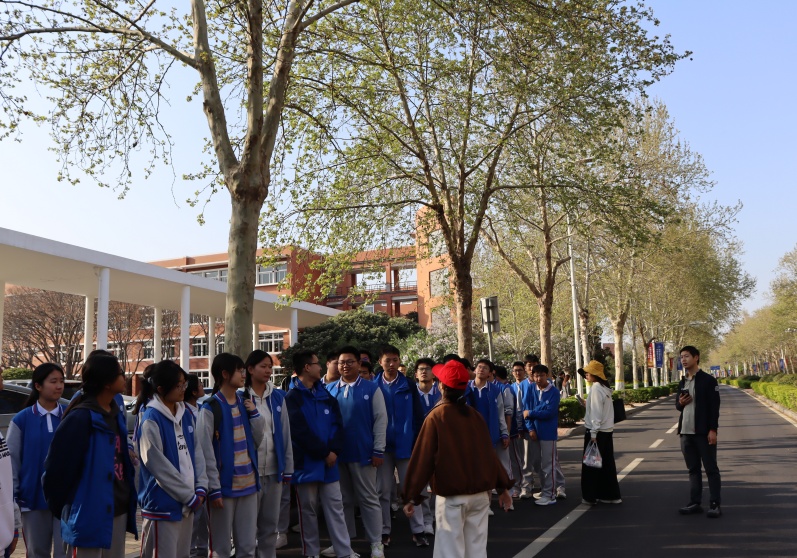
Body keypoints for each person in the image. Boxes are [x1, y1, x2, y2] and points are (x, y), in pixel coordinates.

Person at [402, 359, 512, 558]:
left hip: (452, 496)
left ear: (441, 386)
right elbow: (488, 455)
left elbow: (423, 459)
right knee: (477, 551)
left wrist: (411, 495)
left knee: (449, 552)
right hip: (479, 495)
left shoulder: (436, 416)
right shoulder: (475, 415)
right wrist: (503, 487)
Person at [43, 352, 138, 557]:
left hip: (117, 509)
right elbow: (55, 472)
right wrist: (69, 511)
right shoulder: (80, 418)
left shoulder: (115, 414)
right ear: (106, 382)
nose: (125, 377)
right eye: (120, 373)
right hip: (87, 515)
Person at [285, 350, 355, 558]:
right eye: (317, 363)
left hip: (329, 463)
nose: (321, 367)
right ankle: (311, 552)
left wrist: (333, 451)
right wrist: (324, 452)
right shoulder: (292, 398)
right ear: (307, 367)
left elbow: (337, 426)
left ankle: (344, 551)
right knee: (308, 511)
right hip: (306, 464)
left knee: (336, 508)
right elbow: (299, 432)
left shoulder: (325, 395)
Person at [197, 353, 266, 558]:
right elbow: (205, 452)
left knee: (247, 546)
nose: (244, 375)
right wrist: (214, 489)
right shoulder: (210, 408)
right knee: (221, 548)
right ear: (225, 374)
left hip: (249, 484)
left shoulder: (245, 403)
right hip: (224, 488)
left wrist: (255, 415)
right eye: (239, 371)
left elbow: (256, 441)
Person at [136, 360, 207, 557]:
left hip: (189, 503)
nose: (184, 389)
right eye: (178, 385)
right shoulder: (151, 419)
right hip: (163, 507)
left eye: (184, 384)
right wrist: (189, 496)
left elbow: (197, 453)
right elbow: (159, 467)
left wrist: (201, 486)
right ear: (161, 389)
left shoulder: (186, 415)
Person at [325, 346, 387, 558]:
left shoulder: (371, 388)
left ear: (359, 364)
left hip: (363, 453)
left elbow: (381, 420)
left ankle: (376, 543)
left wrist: (378, 449)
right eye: (341, 362)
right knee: (342, 500)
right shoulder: (329, 389)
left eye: (350, 362)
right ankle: (343, 543)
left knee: (368, 499)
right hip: (337, 455)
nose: (345, 366)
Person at [7, 363, 65, 558]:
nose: (59, 386)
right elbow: (12, 462)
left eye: (61, 381)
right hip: (32, 499)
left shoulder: (70, 415)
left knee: (64, 552)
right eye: (53, 381)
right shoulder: (21, 420)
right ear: (38, 386)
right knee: (36, 552)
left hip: (66, 498)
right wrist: (14, 497)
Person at [243, 350, 294, 558]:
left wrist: (287, 468)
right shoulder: (241, 397)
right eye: (263, 366)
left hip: (274, 471)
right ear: (250, 369)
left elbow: (285, 434)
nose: (268, 371)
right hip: (249, 472)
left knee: (270, 525)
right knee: (247, 527)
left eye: (270, 367)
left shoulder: (278, 397)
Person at [375, 345, 426, 547]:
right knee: (383, 491)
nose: (392, 364)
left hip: (406, 445)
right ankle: (384, 531)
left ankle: (418, 530)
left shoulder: (409, 385)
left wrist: (416, 441)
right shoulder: (373, 386)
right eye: (387, 360)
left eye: (395, 360)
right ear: (380, 362)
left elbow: (419, 416)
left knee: (411, 488)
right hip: (382, 447)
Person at [676, 345, 721, 518]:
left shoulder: (708, 380)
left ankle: (715, 504)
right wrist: (681, 402)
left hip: (703, 432)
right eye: (681, 357)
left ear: (696, 358)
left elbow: (714, 408)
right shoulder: (683, 381)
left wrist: (713, 430)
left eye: (687, 356)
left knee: (711, 469)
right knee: (693, 469)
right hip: (685, 432)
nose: (683, 359)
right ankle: (695, 502)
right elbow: (678, 406)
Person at [466, 359, 511, 513]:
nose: (481, 369)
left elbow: (500, 414)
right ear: (474, 370)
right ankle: (472, 505)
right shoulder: (466, 388)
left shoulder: (495, 390)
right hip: (470, 436)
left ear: (491, 373)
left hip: (489, 436)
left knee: (487, 471)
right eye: (479, 367)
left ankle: (486, 505)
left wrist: (504, 433)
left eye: (485, 368)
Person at [578, 360, 621, 505]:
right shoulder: (604, 388)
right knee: (607, 464)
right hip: (607, 431)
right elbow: (600, 410)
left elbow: (596, 414)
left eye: (588, 372)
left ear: (595, 374)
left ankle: (590, 497)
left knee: (590, 465)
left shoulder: (596, 388)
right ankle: (611, 496)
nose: (586, 374)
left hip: (597, 432)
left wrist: (593, 434)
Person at [522, 364, 564, 506]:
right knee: (537, 464)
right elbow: (525, 410)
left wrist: (532, 412)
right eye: (536, 375)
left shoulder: (554, 392)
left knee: (548, 465)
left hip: (547, 433)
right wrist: (530, 429)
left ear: (547, 375)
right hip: (534, 432)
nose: (538, 378)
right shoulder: (530, 389)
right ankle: (545, 489)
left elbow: (549, 412)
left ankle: (550, 495)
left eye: (541, 375)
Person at [414, 357, 440, 535]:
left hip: (439, 445)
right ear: (416, 374)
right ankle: (426, 520)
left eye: (428, 369)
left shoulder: (441, 392)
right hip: (418, 445)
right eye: (421, 369)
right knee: (422, 484)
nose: (424, 371)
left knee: (438, 483)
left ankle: (438, 515)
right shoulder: (411, 394)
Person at [185, 374, 210, 558]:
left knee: (205, 518)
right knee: (194, 518)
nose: (203, 386)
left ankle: (202, 548)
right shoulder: (183, 413)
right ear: (193, 391)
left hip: (205, 470)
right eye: (200, 384)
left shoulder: (202, 409)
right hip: (191, 471)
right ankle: (191, 550)